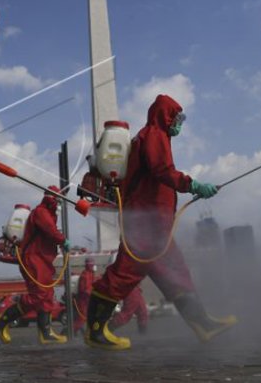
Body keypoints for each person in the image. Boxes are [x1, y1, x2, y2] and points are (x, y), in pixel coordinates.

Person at [85, 94, 237, 350]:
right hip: (146, 225)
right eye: (177, 117)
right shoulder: (154, 135)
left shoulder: (154, 136)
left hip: (155, 225)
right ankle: (95, 332)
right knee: (124, 273)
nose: (179, 123)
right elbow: (162, 170)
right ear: (166, 116)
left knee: (176, 273)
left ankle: (203, 324)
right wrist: (192, 184)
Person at [0, 188, 70, 345]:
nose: (59, 204)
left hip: (42, 259)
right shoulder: (41, 212)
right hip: (34, 259)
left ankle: (46, 333)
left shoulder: (47, 214)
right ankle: (3, 319)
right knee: (39, 295)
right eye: (58, 200)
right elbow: (50, 230)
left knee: (47, 295)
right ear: (52, 199)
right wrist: (63, 240)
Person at [72, 258, 96, 334]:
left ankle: (88, 333)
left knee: (88, 317)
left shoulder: (90, 274)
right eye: (91, 264)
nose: (92, 266)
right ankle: (69, 332)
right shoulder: (85, 275)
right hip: (84, 301)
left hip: (88, 300)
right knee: (82, 318)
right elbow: (84, 290)